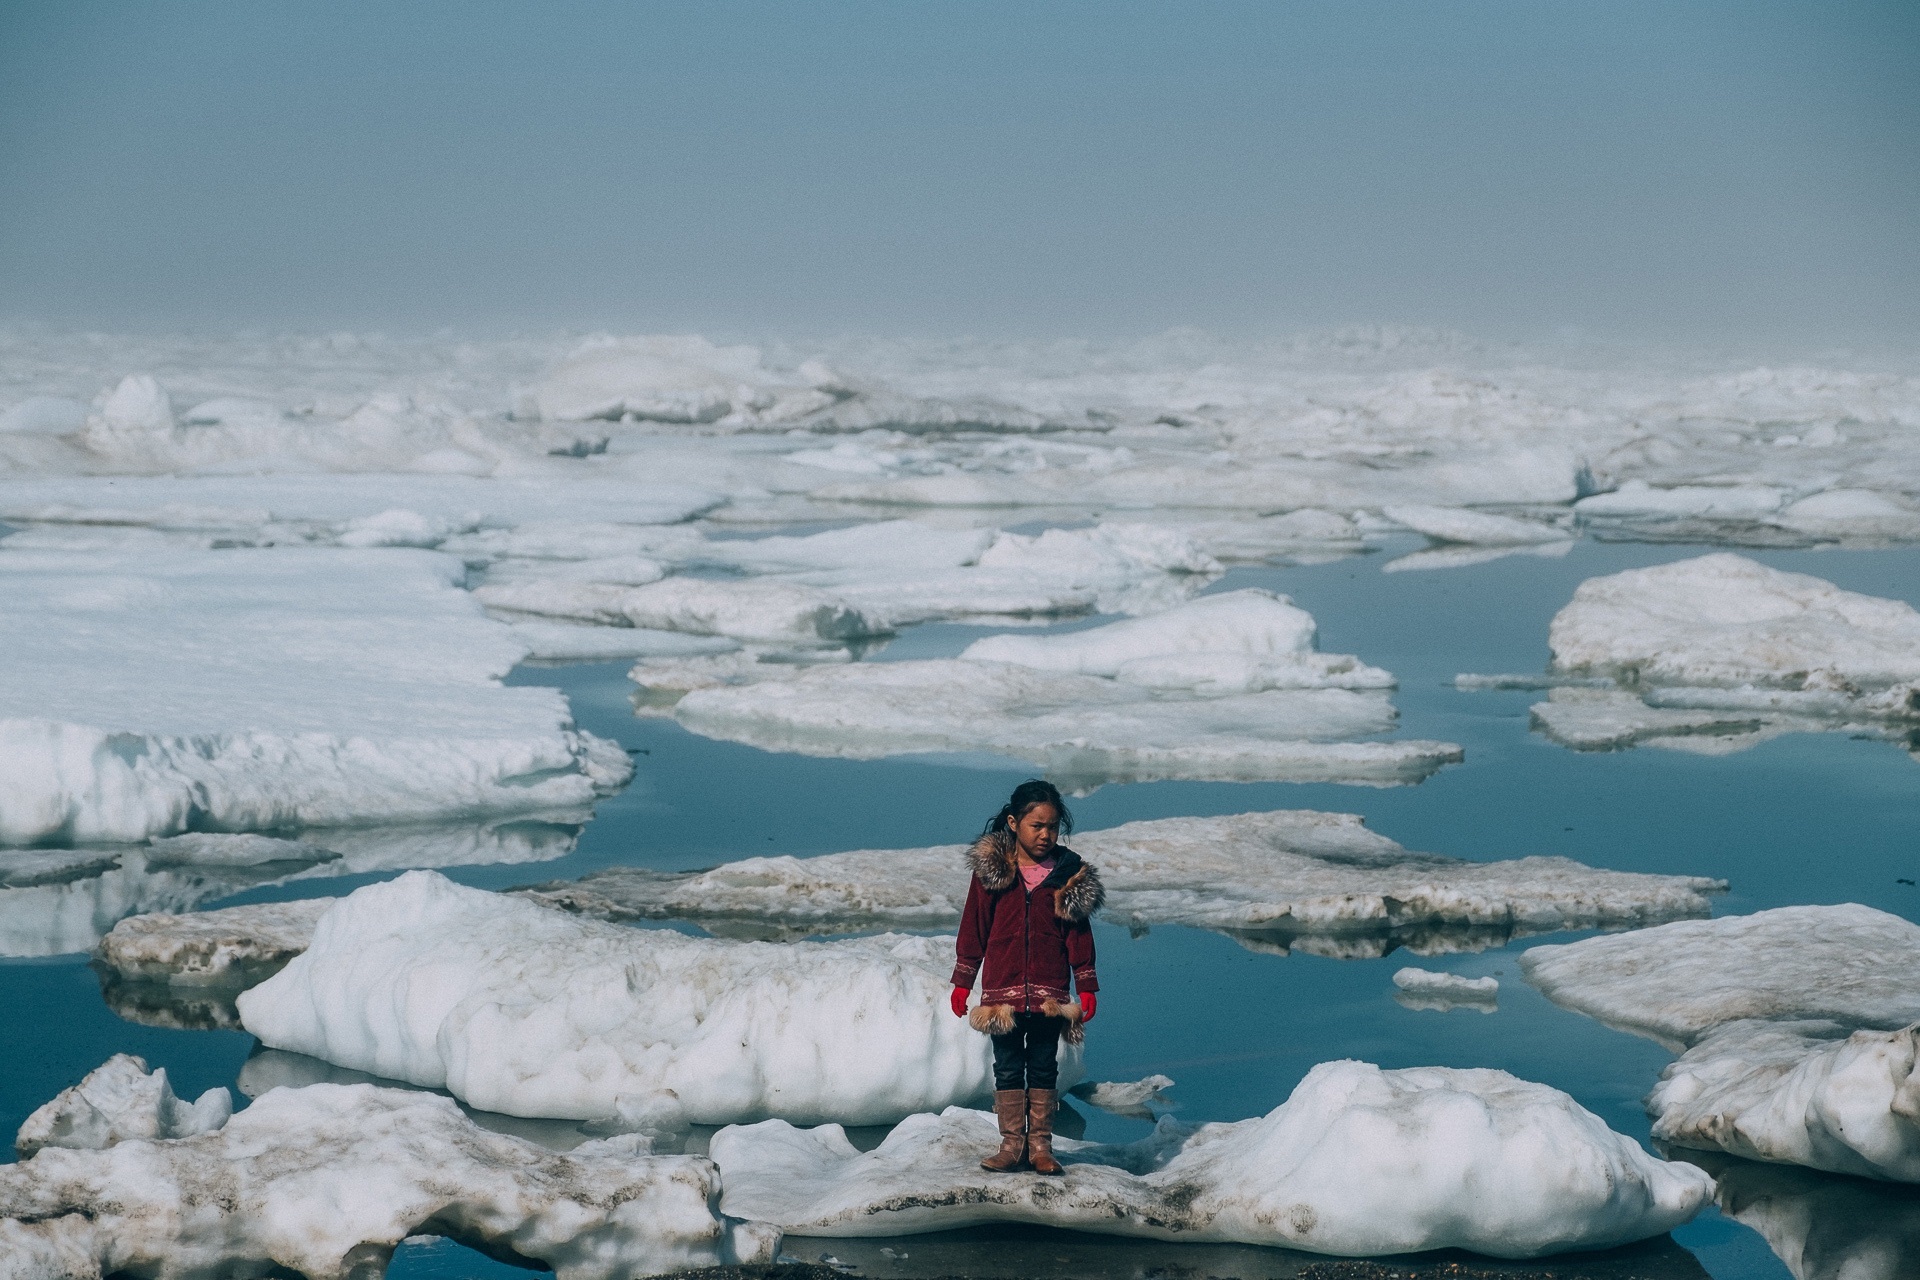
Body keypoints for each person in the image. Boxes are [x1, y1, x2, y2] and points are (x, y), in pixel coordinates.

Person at [949, 779, 1104, 1175]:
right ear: (1014, 823)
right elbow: (974, 926)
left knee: (1043, 1065)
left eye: (1052, 826)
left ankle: (1040, 1147)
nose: (1045, 835)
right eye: (1037, 826)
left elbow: (1079, 934)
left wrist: (1086, 983)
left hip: (1050, 991)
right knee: (1006, 1066)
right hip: (1003, 990)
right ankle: (1011, 1145)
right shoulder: (993, 870)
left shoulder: (1068, 874)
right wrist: (963, 979)